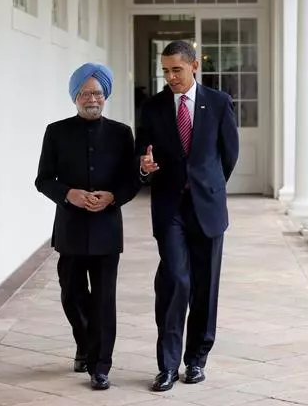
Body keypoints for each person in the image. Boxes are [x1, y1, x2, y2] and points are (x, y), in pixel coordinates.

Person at [136, 40, 239, 391]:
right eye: (165, 70)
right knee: (175, 281)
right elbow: (142, 155)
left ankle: (196, 360)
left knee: (205, 286)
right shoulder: (151, 108)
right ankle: (167, 364)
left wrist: (206, 186)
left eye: (176, 69)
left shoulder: (220, 103)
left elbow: (228, 156)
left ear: (194, 66)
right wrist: (145, 167)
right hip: (169, 208)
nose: (170, 77)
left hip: (207, 208)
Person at [35, 63, 139, 390]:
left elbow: (132, 180)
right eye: (85, 92)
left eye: (96, 92)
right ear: (75, 97)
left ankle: (100, 365)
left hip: (108, 230)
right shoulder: (56, 131)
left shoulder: (122, 134)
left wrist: (112, 197)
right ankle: (84, 342)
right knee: (72, 295)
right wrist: (69, 194)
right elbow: (42, 180)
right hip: (71, 229)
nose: (91, 98)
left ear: (105, 95)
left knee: (104, 300)